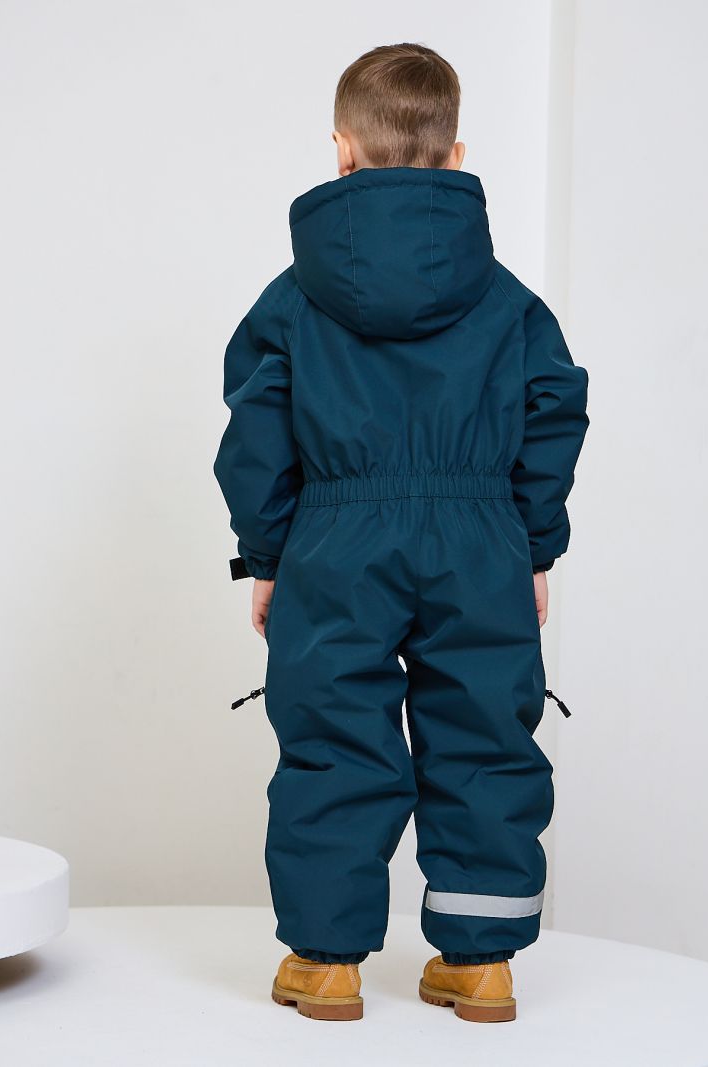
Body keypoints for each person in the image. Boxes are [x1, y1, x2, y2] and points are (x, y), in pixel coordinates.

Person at [214, 42, 589, 1024]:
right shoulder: (509, 302)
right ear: (456, 155)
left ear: (340, 151)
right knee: (483, 731)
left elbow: (256, 432)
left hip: (336, 538)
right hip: (478, 537)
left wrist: (268, 554)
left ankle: (326, 961)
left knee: (336, 733)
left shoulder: (292, 300)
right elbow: (554, 408)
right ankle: (480, 962)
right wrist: (531, 543)